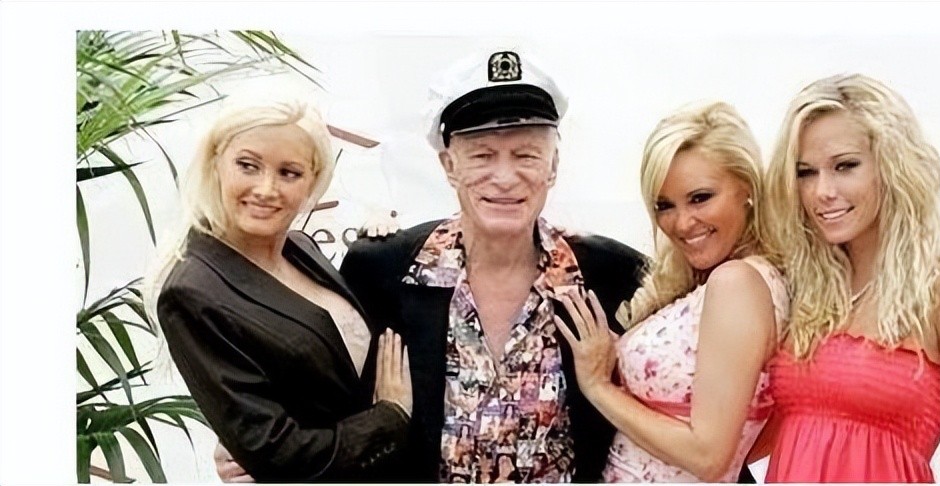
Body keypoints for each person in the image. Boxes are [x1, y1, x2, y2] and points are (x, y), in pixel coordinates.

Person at [337, 50, 648, 482]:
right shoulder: (381, 272)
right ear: (449, 166)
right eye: (483, 156)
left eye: (526, 156)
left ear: (553, 166)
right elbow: (328, 408)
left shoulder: (613, 275)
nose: (504, 177)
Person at [753, 73, 940, 482]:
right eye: (806, 172)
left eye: (845, 166)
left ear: (891, 166)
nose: (822, 191)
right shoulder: (798, 288)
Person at [149, 98, 413, 482]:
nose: (266, 189)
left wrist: (388, 245)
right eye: (248, 165)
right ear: (216, 162)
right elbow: (277, 454)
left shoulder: (302, 247)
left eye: (289, 172)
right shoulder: (192, 292)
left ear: (313, 182)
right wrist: (389, 417)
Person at [553, 101, 789, 482]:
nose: (681, 223)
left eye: (700, 197)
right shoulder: (735, 282)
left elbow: (708, 456)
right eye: (664, 206)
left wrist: (599, 387)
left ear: (746, 186)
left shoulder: (737, 283)